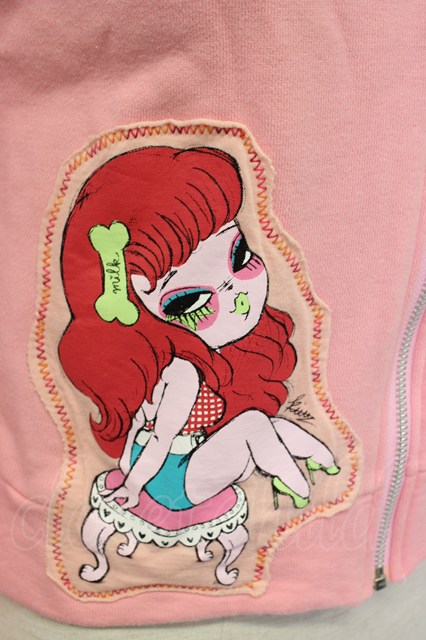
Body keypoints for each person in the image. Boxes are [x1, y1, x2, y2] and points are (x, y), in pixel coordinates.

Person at [58, 145, 339, 581]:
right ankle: (299, 486)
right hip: (173, 481)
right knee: (253, 426)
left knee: (271, 427)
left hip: (173, 465)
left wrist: (130, 468)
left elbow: (138, 427)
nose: (238, 297)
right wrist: (132, 486)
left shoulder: (169, 368)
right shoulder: (183, 373)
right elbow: (159, 439)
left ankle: (322, 464)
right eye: (189, 301)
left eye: (240, 257)